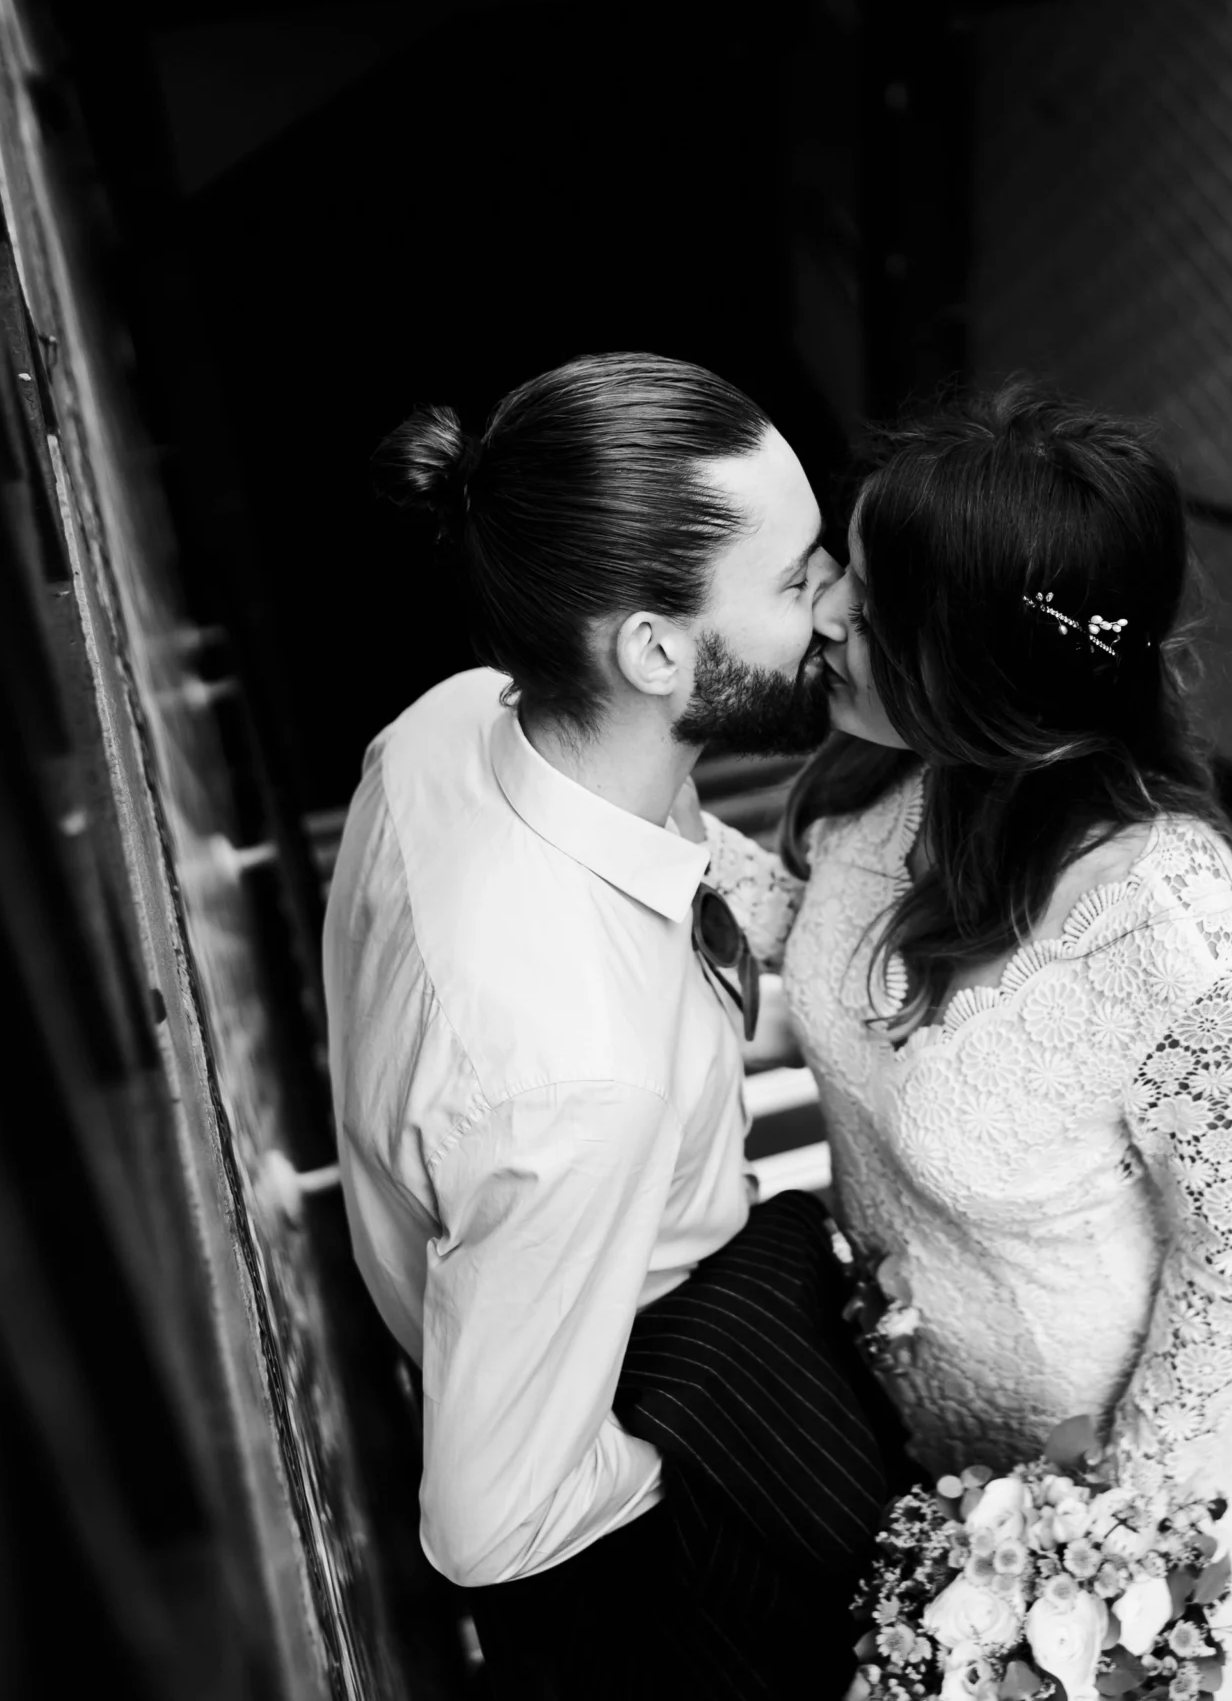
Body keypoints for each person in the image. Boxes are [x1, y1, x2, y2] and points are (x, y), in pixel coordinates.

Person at [689, 384, 1232, 1693]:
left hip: (1075, 1477)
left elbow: (1230, 1268)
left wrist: (1100, 1529)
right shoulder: (891, 778)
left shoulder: (1181, 944)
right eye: (846, 566)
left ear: (980, 659)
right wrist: (636, 834)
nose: (832, 611)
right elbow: (833, 964)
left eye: (875, 592)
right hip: (891, 1414)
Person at [324, 351, 904, 1698]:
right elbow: (492, 1519)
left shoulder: (463, 717)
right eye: (798, 575)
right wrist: (711, 1441)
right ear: (655, 650)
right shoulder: (583, 1078)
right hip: (633, 1402)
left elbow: (681, 865)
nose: (836, 607)